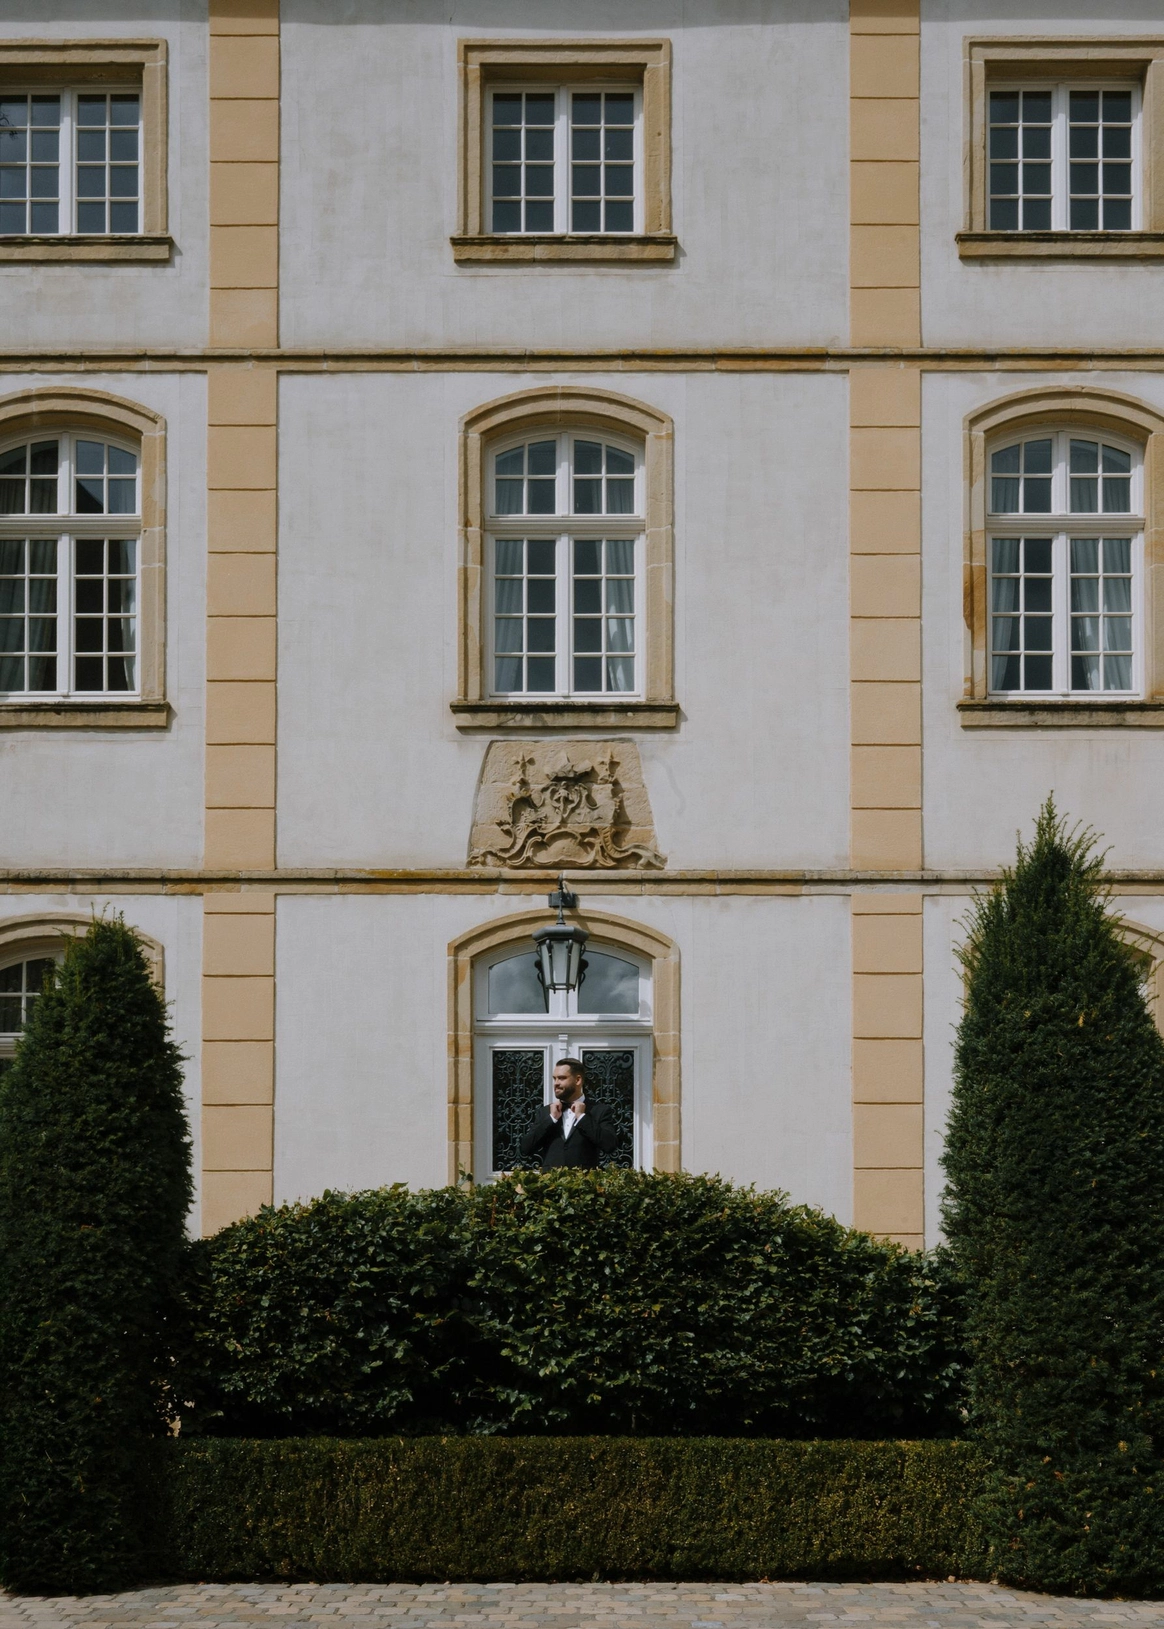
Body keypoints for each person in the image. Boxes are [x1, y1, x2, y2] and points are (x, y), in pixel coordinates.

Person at [519, 1057, 617, 1170]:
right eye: (554, 1078)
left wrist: (582, 1118)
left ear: (578, 1080)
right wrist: (551, 1119)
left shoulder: (599, 1111)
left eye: (562, 1078)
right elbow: (525, 1148)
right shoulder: (545, 1112)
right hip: (551, 1180)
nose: (556, 1083)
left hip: (584, 1180)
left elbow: (610, 1145)